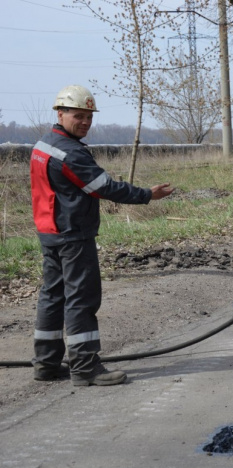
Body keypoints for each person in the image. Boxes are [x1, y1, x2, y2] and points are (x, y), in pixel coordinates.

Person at [30, 85, 174, 386]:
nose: (84, 122)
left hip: (50, 231)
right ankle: (84, 367)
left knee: (52, 296)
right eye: (78, 116)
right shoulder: (70, 153)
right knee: (81, 299)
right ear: (61, 114)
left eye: (88, 117)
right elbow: (104, 187)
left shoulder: (44, 144)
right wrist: (147, 195)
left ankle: (45, 364)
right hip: (73, 235)